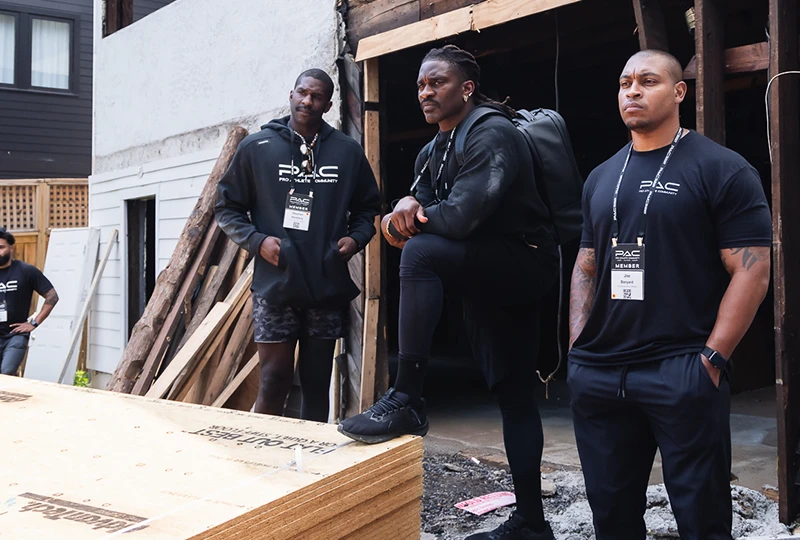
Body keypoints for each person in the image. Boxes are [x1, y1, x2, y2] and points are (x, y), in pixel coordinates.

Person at [338, 45, 560, 540]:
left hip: (523, 262)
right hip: (483, 271)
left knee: (422, 255)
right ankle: (531, 522)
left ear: (466, 88)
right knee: (513, 394)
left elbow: (454, 219)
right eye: (420, 84)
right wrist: (406, 210)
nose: (424, 92)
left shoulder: (492, 133)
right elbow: (395, 231)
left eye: (436, 82)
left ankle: (408, 396)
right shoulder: (433, 149)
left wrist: (411, 219)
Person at [567, 49, 772, 540]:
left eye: (647, 81)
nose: (632, 90)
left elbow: (753, 269)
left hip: (680, 367)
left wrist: (712, 359)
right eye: (624, 83)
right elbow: (586, 264)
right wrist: (577, 345)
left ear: (679, 92)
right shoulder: (601, 176)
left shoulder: (721, 168)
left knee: (701, 517)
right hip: (599, 371)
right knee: (611, 515)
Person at [215, 68, 381, 423]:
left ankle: (310, 465)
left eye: (316, 96)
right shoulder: (257, 148)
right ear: (290, 94)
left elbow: (370, 207)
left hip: (325, 283)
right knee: (274, 380)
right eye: (302, 93)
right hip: (276, 284)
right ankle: (266, 457)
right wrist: (258, 242)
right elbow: (227, 207)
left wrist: (356, 239)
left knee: (317, 384)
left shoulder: (347, 152)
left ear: (328, 104)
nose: (308, 100)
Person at [0, 228, 59, 376]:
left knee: (6, 371)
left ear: (11, 247)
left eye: (1, 247)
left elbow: (52, 296)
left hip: (15, 335)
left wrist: (33, 323)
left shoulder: (26, 271)